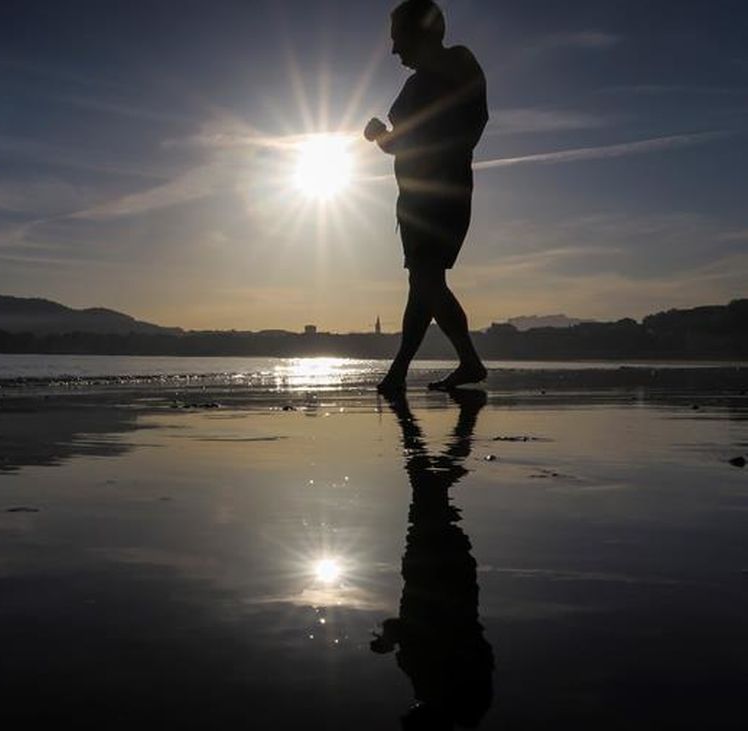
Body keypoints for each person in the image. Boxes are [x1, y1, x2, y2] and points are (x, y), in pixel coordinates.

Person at [365, 0, 488, 393]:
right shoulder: (418, 82)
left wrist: (389, 136)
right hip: (416, 200)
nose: (394, 50)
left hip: (441, 194)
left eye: (398, 39)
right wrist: (381, 137)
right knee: (423, 283)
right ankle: (401, 371)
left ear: (421, 34)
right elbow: (402, 144)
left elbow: (470, 122)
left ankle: (466, 360)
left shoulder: (457, 62)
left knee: (426, 281)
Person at [371, 389, 494, 729]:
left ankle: (457, 425)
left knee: (431, 496)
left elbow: (415, 634)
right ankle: (421, 421)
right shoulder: (429, 680)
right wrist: (385, 639)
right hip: (427, 573)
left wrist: (391, 639)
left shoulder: (467, 700)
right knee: (425, 492)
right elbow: (404, 630)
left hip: (457, 580)